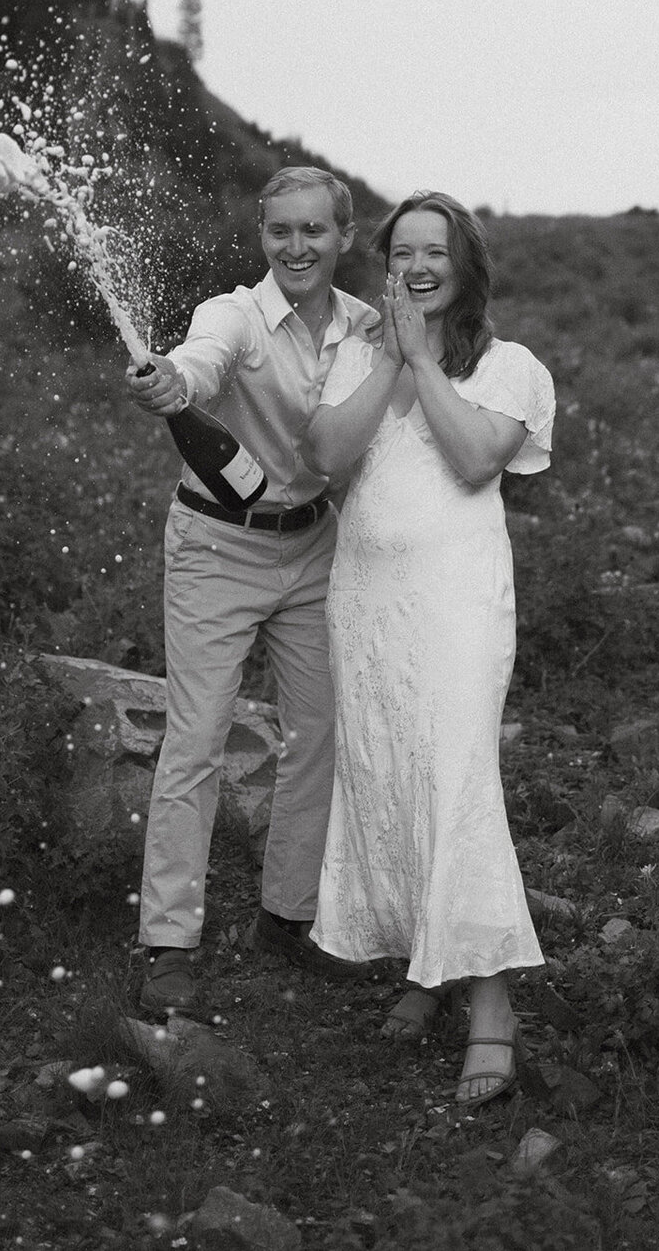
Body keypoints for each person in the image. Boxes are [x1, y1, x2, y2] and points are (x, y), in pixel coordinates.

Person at [305, 190, 555, 1109]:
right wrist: (389, 363)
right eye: (400, 251)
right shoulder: (355, 354)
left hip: (453, 608)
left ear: (466, 266)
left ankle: (492, 1011)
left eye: (434, 252)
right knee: (387, 774)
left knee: (454, 778)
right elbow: (328, 457)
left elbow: (474, 461)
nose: (415, 266)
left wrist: (422, 358)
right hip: (366, 603)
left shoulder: (508, 365)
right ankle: (425, 967)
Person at [126, 166, 380, 1014]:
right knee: (196, 741)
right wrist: (174, 382)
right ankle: (168, 942)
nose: (296, 247)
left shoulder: (367, 328)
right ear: (262, 237)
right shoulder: (233, 315)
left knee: (320, 733)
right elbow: (198, 365)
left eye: (314, 231)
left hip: (314, 547)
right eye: (280, 231)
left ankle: (289, 916)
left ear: (344, 237)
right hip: (217, 548)